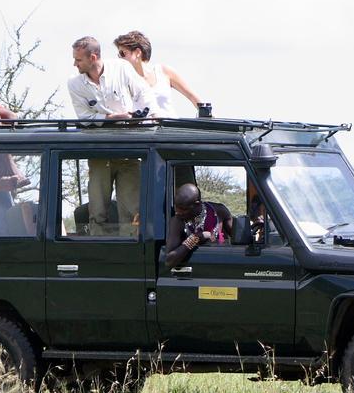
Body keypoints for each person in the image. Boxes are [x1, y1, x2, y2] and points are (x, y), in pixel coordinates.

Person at [68, 36, 161, 235]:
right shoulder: (75, 84)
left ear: (93, 57)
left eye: (78, 60)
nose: (75, 64)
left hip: (129, 148)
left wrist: (151, 116)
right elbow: (84, 117)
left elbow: (144, 93)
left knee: (132, 210)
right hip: (99, 152)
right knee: (97, 210)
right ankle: (99, 253)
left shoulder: (121, 68)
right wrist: (110, 117)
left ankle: (131, 253)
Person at [112, 30, 202, 118]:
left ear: (138, 53)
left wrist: (208, 115)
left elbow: (192, 96)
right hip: (142, 131)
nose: (120, 58)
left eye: (122, 53)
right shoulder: (122, 81)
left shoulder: (164, 72)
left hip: (171, 129)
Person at [165, 183, 234, 268]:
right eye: (176, 207)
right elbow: (169, 261)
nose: (178, 212)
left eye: (183, 209)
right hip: (195, 272)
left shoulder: (219, 211)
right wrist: (195, 238)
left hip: (222, 266)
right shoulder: (178, 221)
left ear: (197, 204)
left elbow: (239, 240)